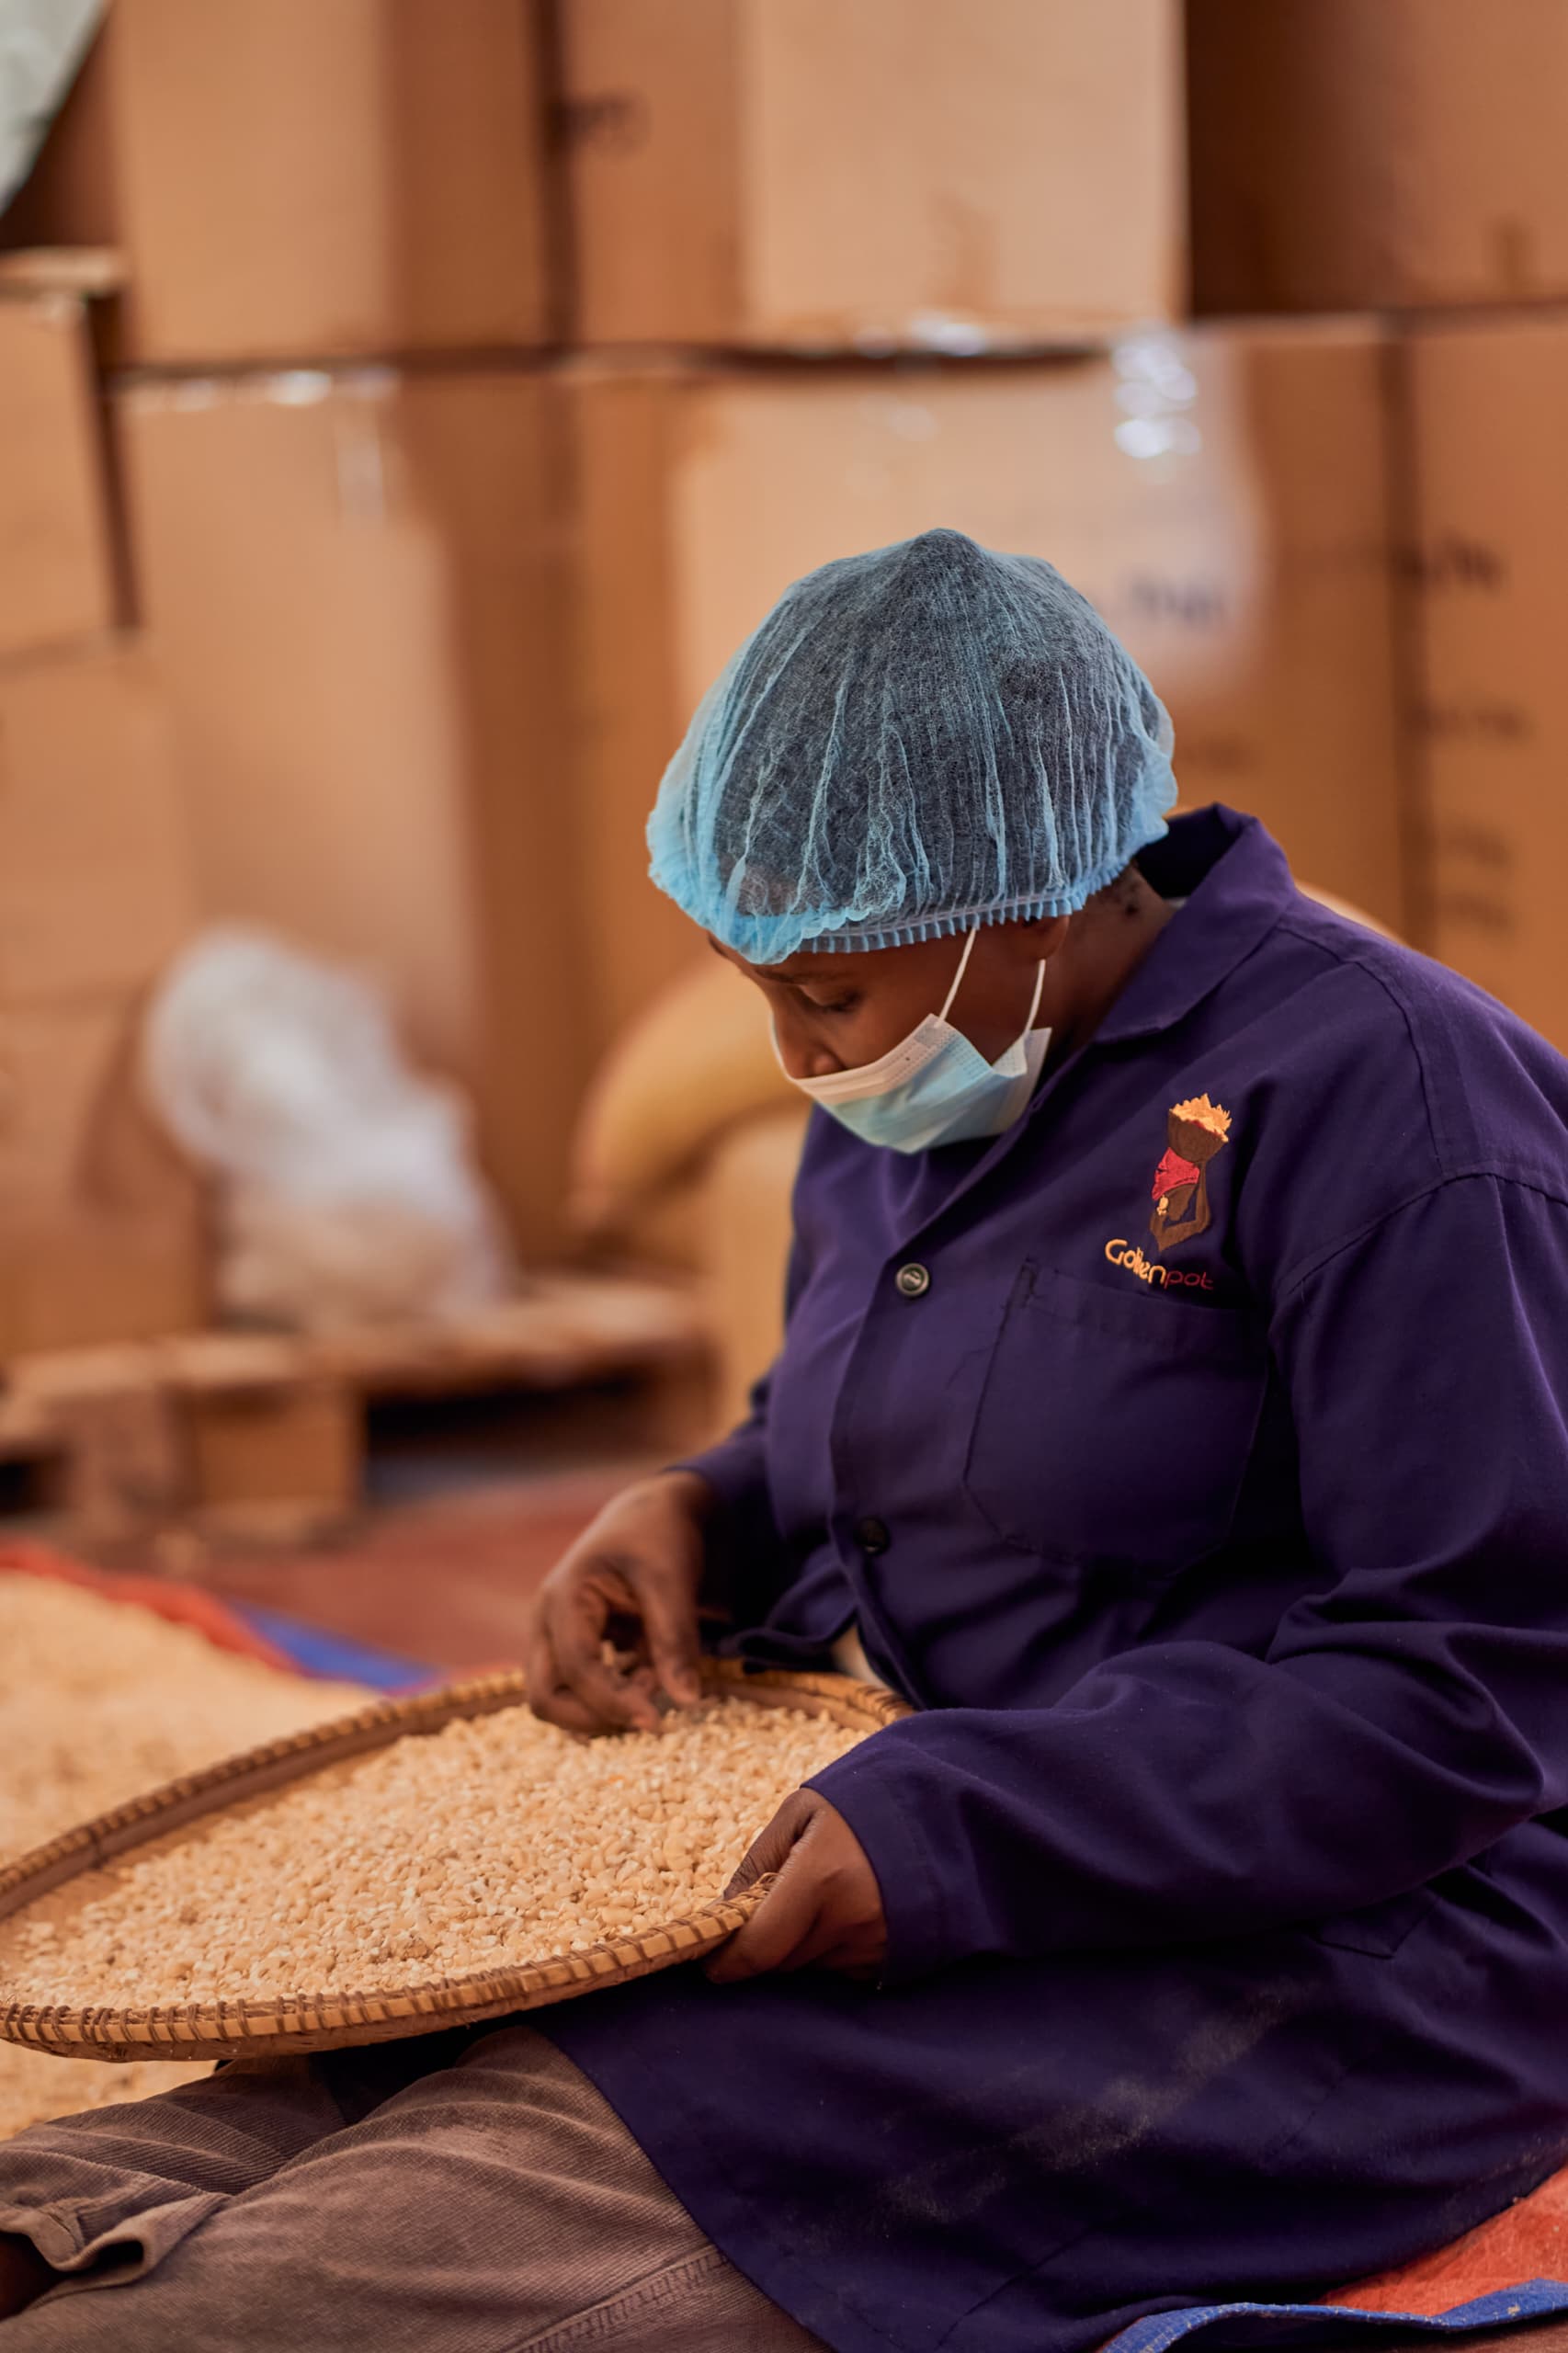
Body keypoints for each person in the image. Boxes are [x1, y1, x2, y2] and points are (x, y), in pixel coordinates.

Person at [6, 527, 1568, 2353]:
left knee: (288, 2286)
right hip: (927, 1832)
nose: (792, 1052)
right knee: (108, 2184)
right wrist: (708, 1510)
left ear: (1043, 894)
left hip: (1343, 1959)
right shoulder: (927, 1066)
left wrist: (953, 1828)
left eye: (824, 991)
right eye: (763, 987)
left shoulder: (1395, 1101)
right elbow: (879, 1421)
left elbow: (1473, 1687)